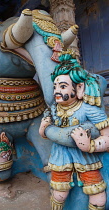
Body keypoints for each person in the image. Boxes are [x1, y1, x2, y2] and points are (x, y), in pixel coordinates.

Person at [39, 54, 109, 210]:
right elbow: (44, 135)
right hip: (60, 157)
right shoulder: (53, 110)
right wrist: (43, 128)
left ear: (79, 88)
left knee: (98, 195)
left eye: (63, 86)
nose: (57, 91)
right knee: (59, 194)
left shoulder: (88, 109)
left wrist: (90, 146)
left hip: (85, 158)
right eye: (55, 87)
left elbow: (107, 136)